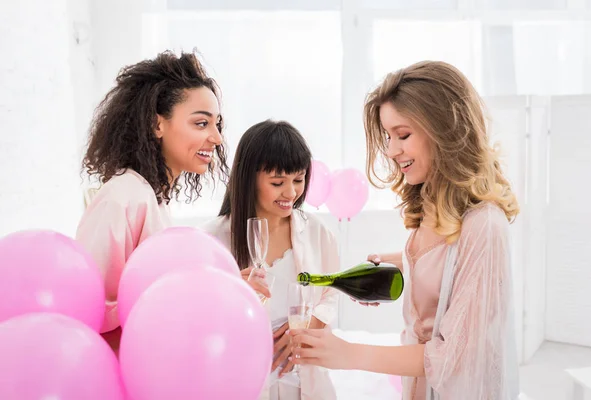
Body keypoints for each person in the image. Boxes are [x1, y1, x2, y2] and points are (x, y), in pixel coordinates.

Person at [289, 61, 521, 400]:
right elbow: (451, 263)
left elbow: (451, 357)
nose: (391, 150)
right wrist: (403, 262)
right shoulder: (436, 207)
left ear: (445, 130)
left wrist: (349, 353)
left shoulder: (484, 224)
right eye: (387, 136)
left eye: (404, 135)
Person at [76, 50, 235, 353]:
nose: (216, 138)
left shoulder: (153, 198)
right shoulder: (124, 197)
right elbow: (90, 312)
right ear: (156, 125)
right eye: (201, 124)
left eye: (218, 125)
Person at [203, 119, 339, 400]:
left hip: (305, 381)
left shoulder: (317, 232)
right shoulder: (212, 238)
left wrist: (307, 326)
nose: (291, 193)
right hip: (243, 381)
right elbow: (199, 316)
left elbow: (332, 293)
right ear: (249, 178)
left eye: (298, 180)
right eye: (278, 182)